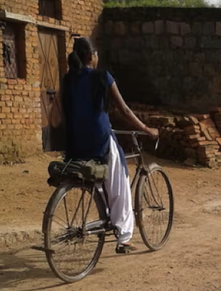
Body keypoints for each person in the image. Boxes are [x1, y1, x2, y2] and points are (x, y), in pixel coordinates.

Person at [61, 37, 158, 254]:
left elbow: (60, 113)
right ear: (90, 56)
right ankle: (124, 238)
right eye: (95, 54)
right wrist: (146, 129)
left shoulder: (68, 80)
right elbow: (124, 111)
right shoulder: (102, 77)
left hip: (75, 142)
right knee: (120, 181)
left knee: (97, 179)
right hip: (99, 139)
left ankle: (105, 217)